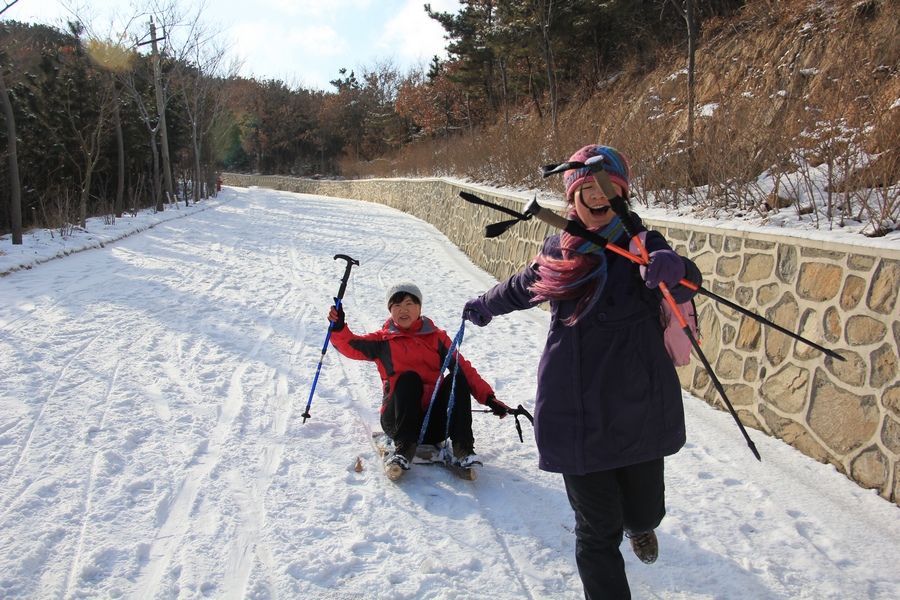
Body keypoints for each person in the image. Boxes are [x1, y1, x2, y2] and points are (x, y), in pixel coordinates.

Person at [462, 145, 702, 599]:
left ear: (621, 193)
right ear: (571, 198)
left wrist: (676, 270)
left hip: (639, 403)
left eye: (603, 187)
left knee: (646, 511)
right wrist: (484, 306)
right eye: (583, 189)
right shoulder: (559, 249)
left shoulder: (643, 244)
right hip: (576, 409)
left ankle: (641, 526)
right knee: (596, 532)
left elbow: (688, 281)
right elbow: (522, 285)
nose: (593, 196)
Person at [328, 281, 510, 471]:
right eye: (396, 305)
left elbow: (464, 368)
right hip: (397, 423)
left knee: (458, 379)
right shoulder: (383, 341)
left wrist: (489, 399)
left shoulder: (437, 338)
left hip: (434, 424)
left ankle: (463, 448)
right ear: (390, 310)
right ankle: (404, 447)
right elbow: (349, 345)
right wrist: (339, 327)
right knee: (409, 378)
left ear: (419, 308)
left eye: (409, 304)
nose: (403, 310)